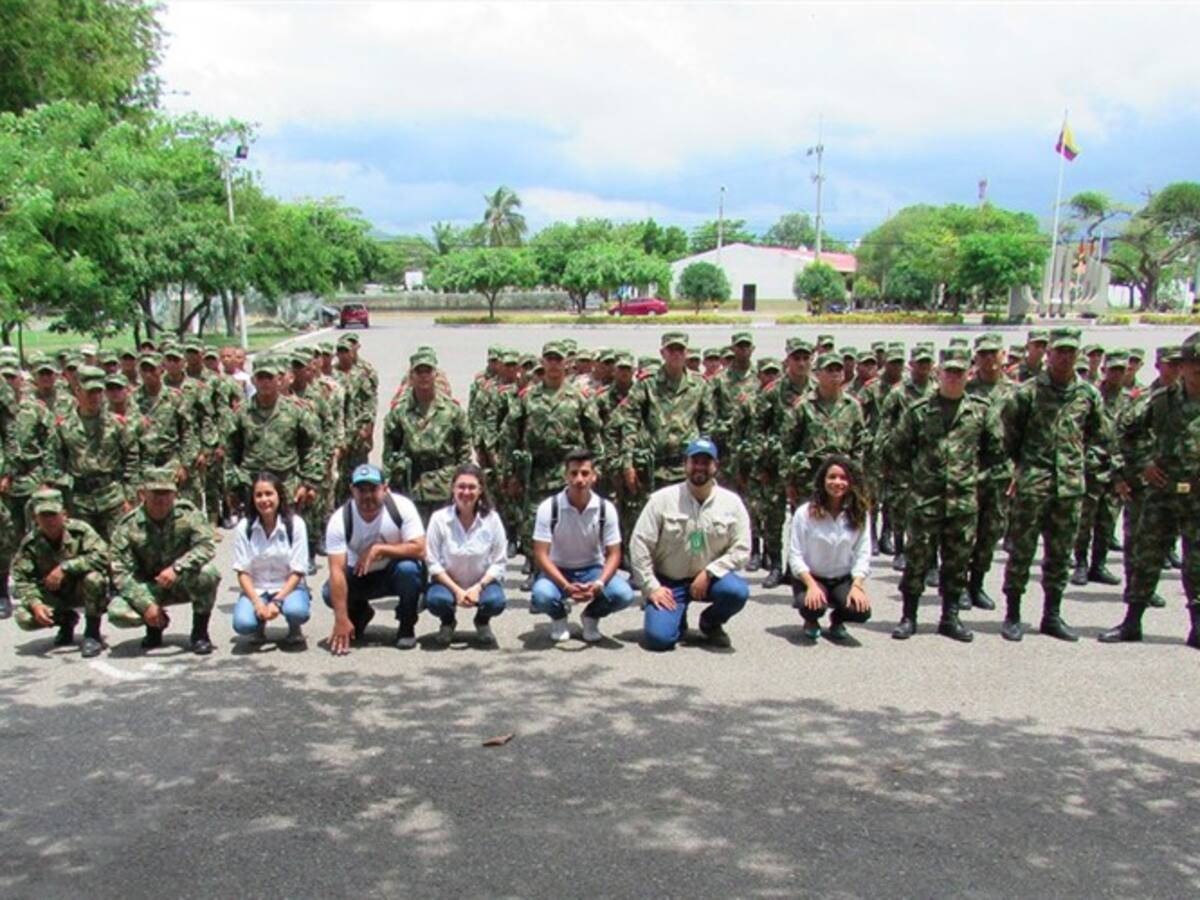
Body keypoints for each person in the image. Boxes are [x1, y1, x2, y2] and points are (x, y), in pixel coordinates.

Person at [888, 347, 1005, 642]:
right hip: (925, 501)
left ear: (969, 374)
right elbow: (895, 452)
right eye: (948, 371)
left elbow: (997, 454)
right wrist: (912, 484)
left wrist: (974, 482)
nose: (953, 377)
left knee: (956, 562)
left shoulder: (980, 410)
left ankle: (950, 617)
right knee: (917, 560)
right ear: (939, 374)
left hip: (963, 502)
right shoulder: (919, 411)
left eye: (959, 372)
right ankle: (908, 616)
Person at [1000, 327, 1105, 643]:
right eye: (1059, 351)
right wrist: (1022, 471)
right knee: (1021, 551)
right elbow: (1009, 438)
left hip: (1069, 488)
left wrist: (1083, 466)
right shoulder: (1027, 393)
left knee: (1060, 555)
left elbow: (1099, 437)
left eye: (1071, 351)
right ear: (1048, 354)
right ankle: (1013, 613)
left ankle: (1052, 615)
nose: (1065, 357)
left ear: (1078, 354)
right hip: (1034, 485)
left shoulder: (1088, 395)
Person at [1100, 331, 1200, 647]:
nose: (1198, 369)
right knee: (1146, 557)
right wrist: (1143, 463)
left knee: (1197, 563)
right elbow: (1125, 431)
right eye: (1193, 363)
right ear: (1182, 366)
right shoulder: (1162, 401)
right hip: (1163, 493)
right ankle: (1132, 622)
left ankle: (1197, 627)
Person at [630, 437, 751, 651]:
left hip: (711, 580)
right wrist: (652, 588)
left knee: (736, 592)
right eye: (695, 461)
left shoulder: (732, 503)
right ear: (685, 463)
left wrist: (710, 572)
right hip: (670, 582)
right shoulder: (661, 500)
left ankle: (711, 623)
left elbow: (742, 550)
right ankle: (677, 617)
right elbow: (639, 544)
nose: (700, 467)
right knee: (660, 640)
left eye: (706, 462)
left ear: (716, 466)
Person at [107, 467, 221, 654]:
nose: (161, 499)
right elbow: (120, 572)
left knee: (209, 574)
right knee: (117, 612)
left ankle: (200, 633)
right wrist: (146, 605)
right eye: (155, 493)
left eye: (166, 493)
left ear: (175, 494)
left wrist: (177, 568)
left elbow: (206, 546)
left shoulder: (188, 515)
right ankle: (154, 626)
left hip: (181, 581)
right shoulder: (128, 525)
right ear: (143, 494)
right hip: (149, 587)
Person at [530, 448, 634, 643]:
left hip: (592, 569)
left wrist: (599, 584)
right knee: (541, 595)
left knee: (624, 594)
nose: (579, 479)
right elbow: (541, 554)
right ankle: (559, 617)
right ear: (565, 476)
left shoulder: (605, 508)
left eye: (585, 473)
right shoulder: (549, 507)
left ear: (594, 477)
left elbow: (614, 553)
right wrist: (565, 586)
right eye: (574, 473)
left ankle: (591, 616)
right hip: (558, 570)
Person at [323, 464, 426, 654]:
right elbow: (336, 570)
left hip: (393, 574)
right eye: (361, 490)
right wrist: (340, 618)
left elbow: (420, 549)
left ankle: (406, 624)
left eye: (373, 489)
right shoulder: (340, 520)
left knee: (409, 570)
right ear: (352, 491)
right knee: (329, 591)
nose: (367, 496)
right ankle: (359, 614)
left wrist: (380, 549)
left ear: (385, 488)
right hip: (360, 574)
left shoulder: (401, 507)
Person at [12, 488, 111, 657]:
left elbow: (103, 556)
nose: (49, 520)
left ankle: (92, 634)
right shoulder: (30, 544)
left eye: (53, 514)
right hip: (53, 594)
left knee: (95, 579)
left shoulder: (81, 531)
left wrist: (66, 567)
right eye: (44, 516)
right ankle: (66, 621)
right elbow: (22, 579)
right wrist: (35, 604)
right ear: (35, 518)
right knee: (24, 618)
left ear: (64, 514)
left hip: (82, 589)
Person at [787, 455, 872, 644]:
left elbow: (862, 553)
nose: (837, 482)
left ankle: (837, 620)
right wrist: (811, 585)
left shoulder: (859, 513)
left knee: (861, 611)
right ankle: (811, 620)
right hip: (812, 576)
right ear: (822, 480)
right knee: (812, 606)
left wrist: (857, 586)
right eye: (832, 477)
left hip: (841, 578)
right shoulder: (805, 513)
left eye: (843, 478)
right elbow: (795, 554)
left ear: (851, 483)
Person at [423, 464, 508, 646]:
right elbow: (432, 561)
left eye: (472, 487)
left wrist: (477, 588)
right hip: (447, 583)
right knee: (437, 600)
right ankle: (447, 621)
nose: (466, 492)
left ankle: (482, 621)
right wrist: (457, 591)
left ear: (480, 491)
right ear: (453, 488)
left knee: (495, 602)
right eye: (461, 486)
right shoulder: (439, 519)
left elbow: (499, 561)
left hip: (482, 583)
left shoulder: (492, 519)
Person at [231, 471, 311, 646]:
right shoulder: (245, 527)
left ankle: (294, 627)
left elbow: (298, 571)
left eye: (269, 493)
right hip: (258, 589)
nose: (264, 499)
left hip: (288, 587)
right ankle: (258, 625)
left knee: (297, 611)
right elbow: (242, 571)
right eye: (258, 495)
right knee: (243, 624)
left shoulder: (295, 524)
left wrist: (277, 600)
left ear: (279, 496)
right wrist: (257, 602)